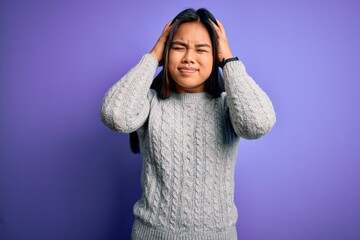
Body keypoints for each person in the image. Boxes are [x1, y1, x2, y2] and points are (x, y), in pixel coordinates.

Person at [100, 8, 276, 240]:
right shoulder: (150, 103)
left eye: (202, 49)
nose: (188, 58)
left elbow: (258, 123)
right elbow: (115, 116)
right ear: (166, 52)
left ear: (216, 56)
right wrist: (152, 57)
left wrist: (230, 61)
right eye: (178, 47)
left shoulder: (228, 106)